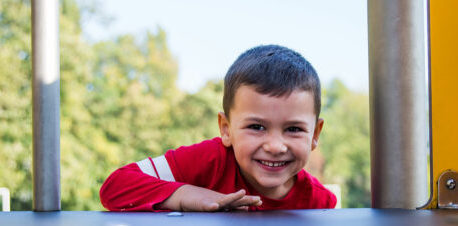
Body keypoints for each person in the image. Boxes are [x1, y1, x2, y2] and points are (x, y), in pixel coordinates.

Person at [99, 45, 336, 212]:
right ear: (226, 129)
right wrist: (187, 195)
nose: (275, 146)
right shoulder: (212, 160)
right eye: (256, 126)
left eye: (293, 129)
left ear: (315, 134)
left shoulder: (321, 203)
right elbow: (115, 186)